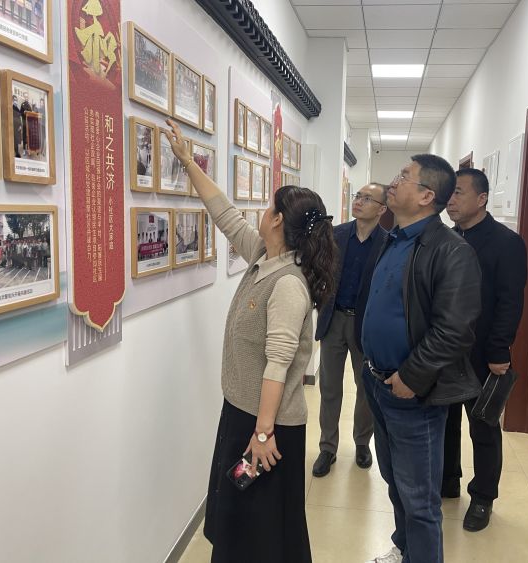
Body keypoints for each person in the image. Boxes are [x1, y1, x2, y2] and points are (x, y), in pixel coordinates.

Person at [165, 118, 336, 563]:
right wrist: (188, 161)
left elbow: (277, 365)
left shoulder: (287, 284)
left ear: (277, 220)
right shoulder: (264, 255)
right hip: (243, 412)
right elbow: (226, 216)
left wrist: (262, 432)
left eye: (268, 206)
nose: (260, 211)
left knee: (261, 539)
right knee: (240, 529)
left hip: (267, 426)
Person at [362, 155, 482, 563]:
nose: (394, 182)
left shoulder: (451, 251)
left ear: (427, 196)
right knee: (395, 483)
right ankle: (405, 550)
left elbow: (455, 330)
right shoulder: (394, 239)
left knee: (420, 500)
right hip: (377, 383)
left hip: (412, 394)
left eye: (404, 176)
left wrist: (411, 377)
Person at [442, 168, 527, 531]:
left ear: (482, 199)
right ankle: (447, 481)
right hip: (444, 350)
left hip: (482, 353)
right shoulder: (445, 238)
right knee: (444, 421)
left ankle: (482, 497)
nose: (451, 200)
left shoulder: (506, 243)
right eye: (449, 192)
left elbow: (510, 301)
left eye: (458, 193)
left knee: (483, 426)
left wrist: (499, 350)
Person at [312, 183, 388, 477]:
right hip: (334, 319)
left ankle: (362, 443)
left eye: (367, 199)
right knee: (329, 387)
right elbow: (318, 268)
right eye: (358, 196)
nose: (359, 201)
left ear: (382, 209)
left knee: (366, 388)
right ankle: (327, 447)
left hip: (365, 325)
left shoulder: (388, 242)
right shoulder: (336, 234)